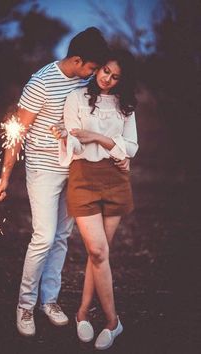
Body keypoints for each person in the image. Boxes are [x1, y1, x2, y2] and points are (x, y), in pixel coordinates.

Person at [0, 27, 109, 337]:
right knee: (43, 236)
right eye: (92, 68)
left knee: (61, 236)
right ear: (78, 59)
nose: (94, 74)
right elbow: (16, 132)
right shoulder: (40, 83)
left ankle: (50, 301)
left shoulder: (84, 80)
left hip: (74, 168)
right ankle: (25, 306)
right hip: (43, 169)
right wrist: (4, 178)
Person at [51, 48, 138, 350]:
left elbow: (132, 147)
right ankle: (114, 322)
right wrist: (67, 136)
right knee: (98, 250)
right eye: (105, 71)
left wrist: (99, 138)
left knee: (98, 255)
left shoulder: (125, 105)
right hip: (83, 178)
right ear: (98, 67)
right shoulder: (76, 98)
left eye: (115, 77)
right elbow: (76, 141)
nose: (108, 79)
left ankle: (82, 314)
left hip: (115, 180)